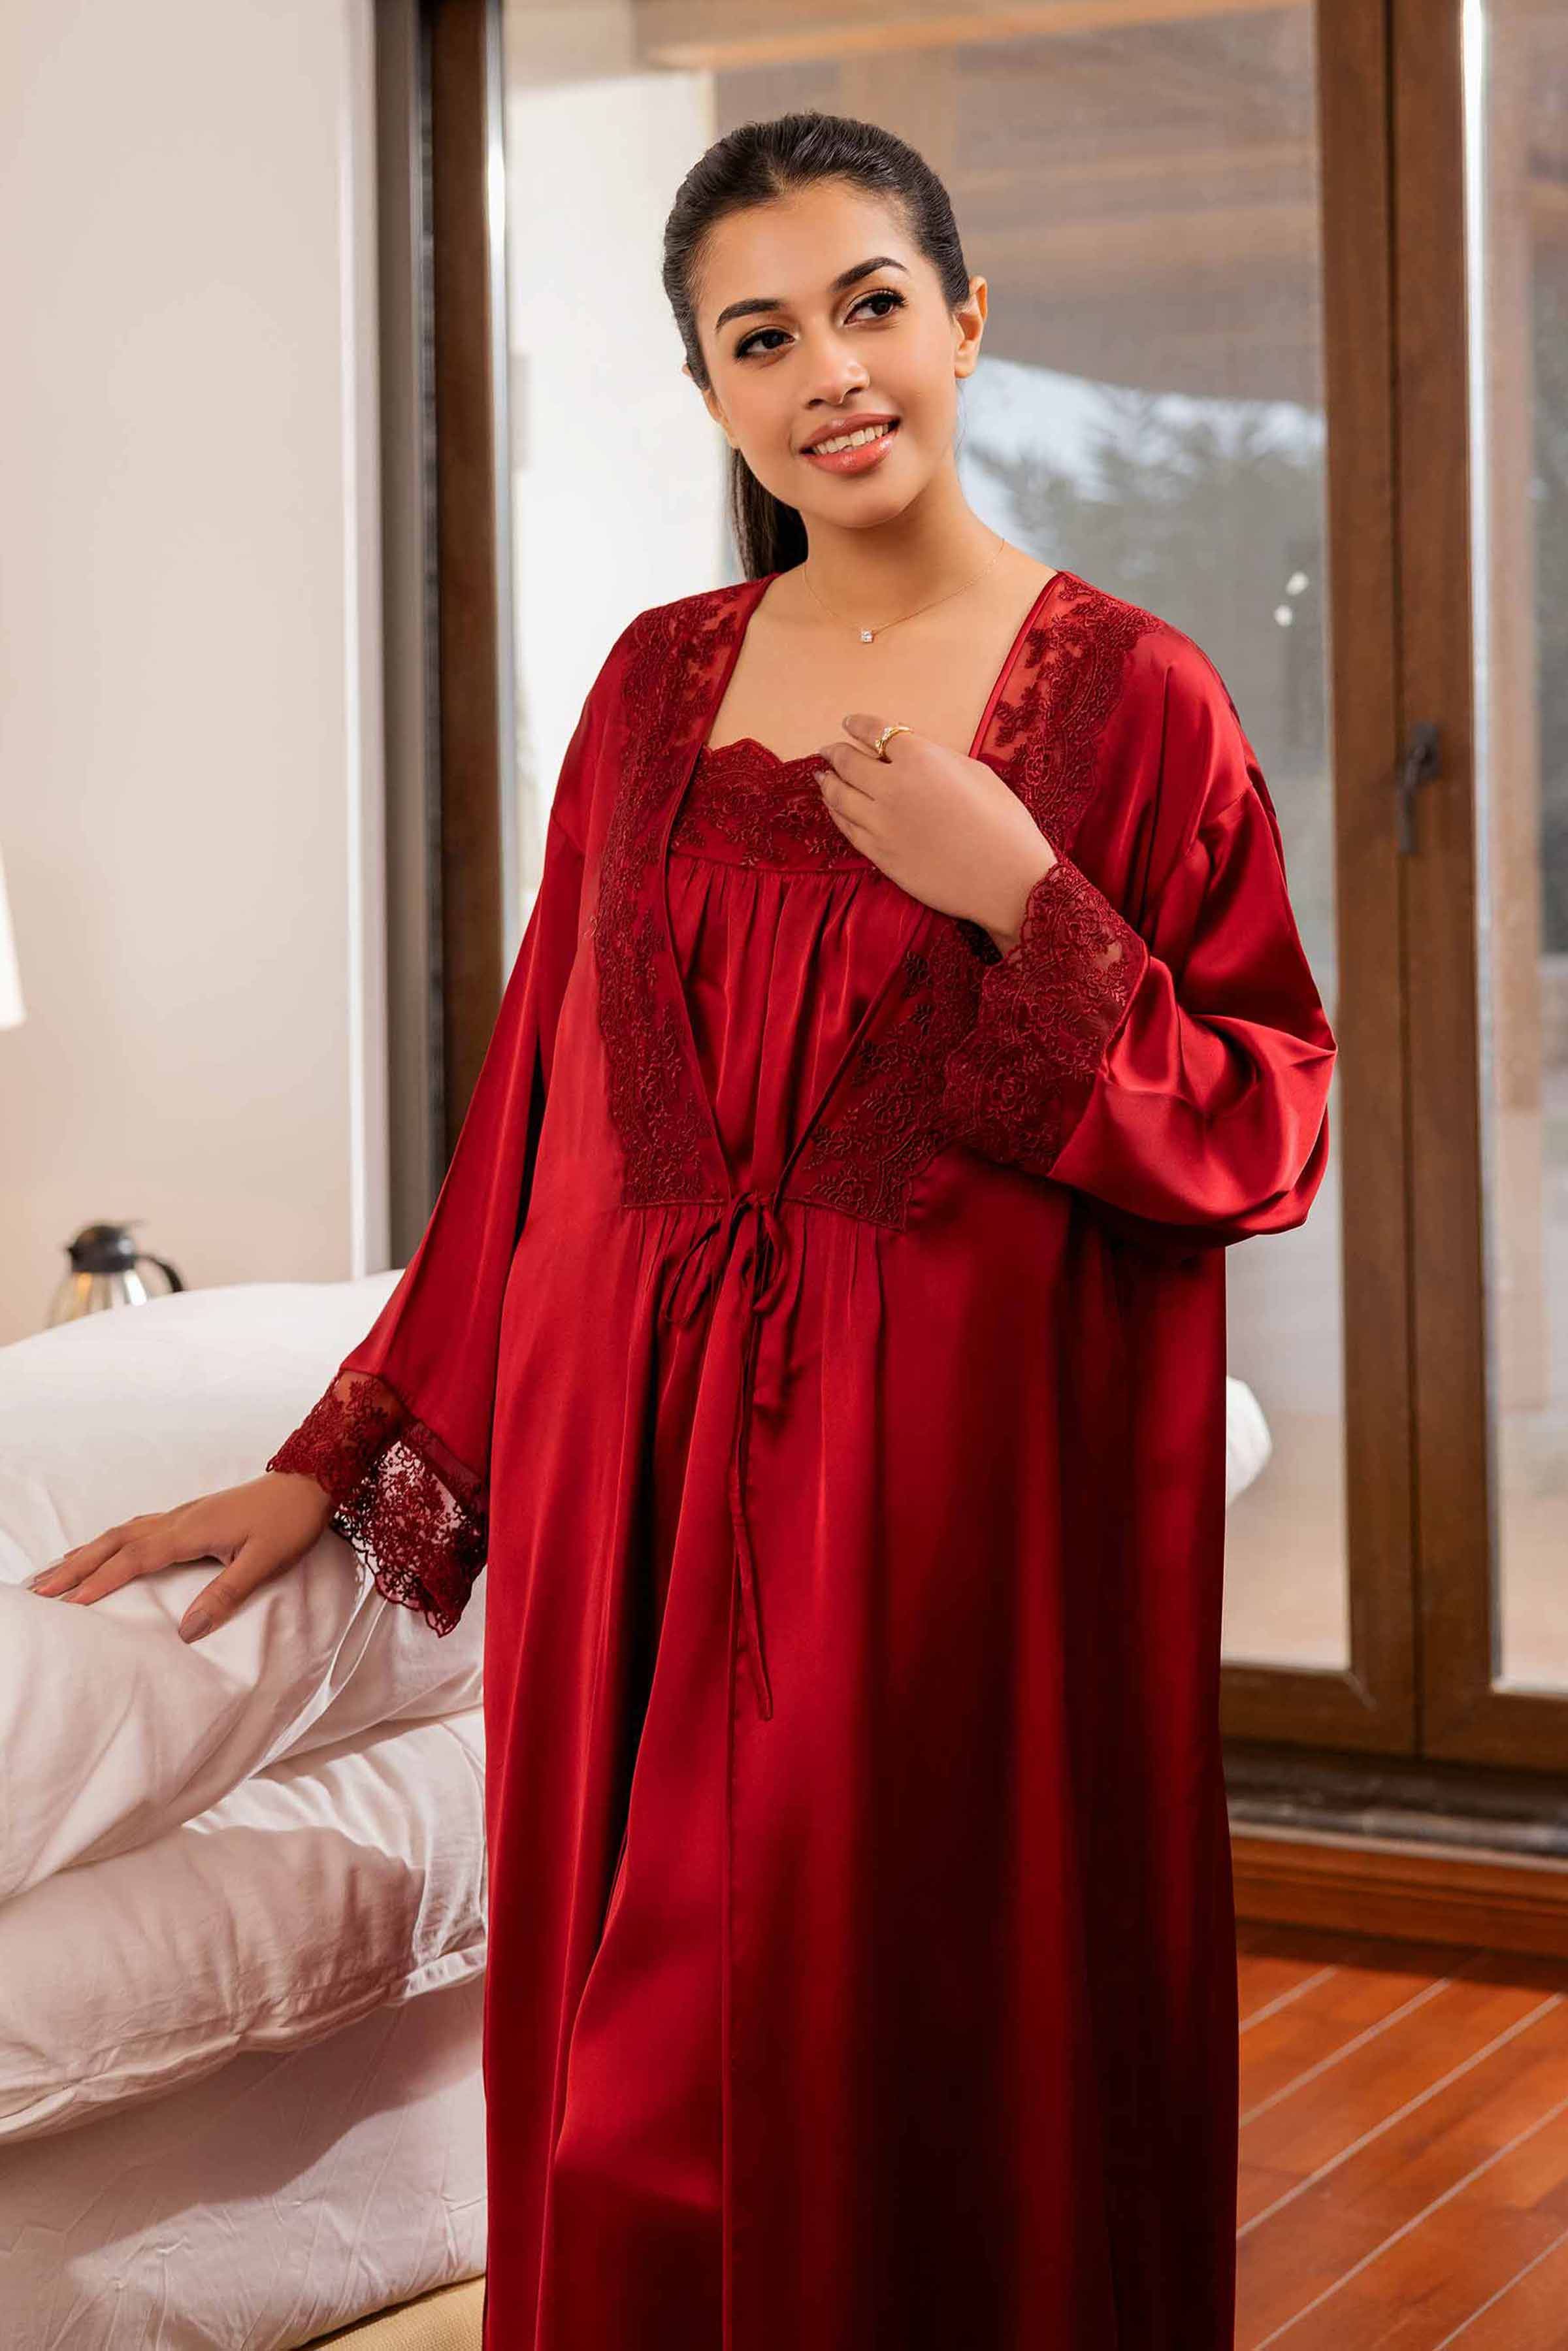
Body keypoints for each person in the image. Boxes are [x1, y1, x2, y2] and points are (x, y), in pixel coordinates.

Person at [31, 110, 1337, 2351]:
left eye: (870, 306)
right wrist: (339, 1457)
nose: (831, 372)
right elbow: (539, 1122)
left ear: (965, 321)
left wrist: (1022, 892)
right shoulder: (650, 687)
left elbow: (1262, 1120)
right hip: (626, 1493)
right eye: (763, 336)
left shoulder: (1135, 700)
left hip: (943, 1519)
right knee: (633, 2076)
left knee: (900, 2036)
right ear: (710, 387)